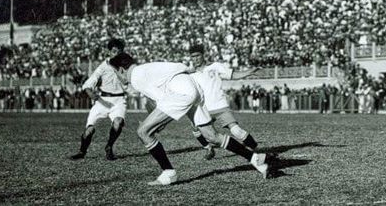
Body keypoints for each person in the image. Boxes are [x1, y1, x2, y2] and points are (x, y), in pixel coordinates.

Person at [108, 52, 269, 186]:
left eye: (115, 73)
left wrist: (157, 124)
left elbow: (161, 101)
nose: (116, 77)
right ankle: (255, 158)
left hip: (182, 92)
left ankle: (169, 173)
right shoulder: (147, 68)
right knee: (211, 136)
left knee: (143, 131)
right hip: (193, 88)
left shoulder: (136, 77)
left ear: (121, 69)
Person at [186, 44, 262, 160]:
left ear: (203, 55)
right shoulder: (191, 75)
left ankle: (257, 151)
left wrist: (248, 72)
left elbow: (232, 75)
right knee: (194, 128)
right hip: (204, 109)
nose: (195, 59)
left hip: (219, 106)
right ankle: (208, 148)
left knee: (236, 131)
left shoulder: (215, 67)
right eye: (192, 57)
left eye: (197, 56)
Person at [70, 38, 126, 161]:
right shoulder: (103, 66)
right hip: (102, 101)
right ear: (109, 52)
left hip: (119, 100)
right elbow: (89, 82)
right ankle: (82, 151)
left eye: (119, 52)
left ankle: (109, 147)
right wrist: (90, 93)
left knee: (118, 123)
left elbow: (132, 81)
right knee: (89, 130)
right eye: (114, 51)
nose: (116, 54)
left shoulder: (125, 66)